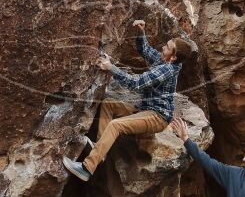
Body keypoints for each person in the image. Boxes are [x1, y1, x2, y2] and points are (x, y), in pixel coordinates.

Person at [62, 19, 193, 181]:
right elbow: (145, 50)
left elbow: (136, 83)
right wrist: (141, 32)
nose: (162, 47)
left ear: (173, 57)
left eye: (166, 47)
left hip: (157, 117)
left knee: (116, 125)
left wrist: (111, 67)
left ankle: (87, 168)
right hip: (145, 109)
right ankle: (99, 150)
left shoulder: (167, 69)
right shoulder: (166, 59)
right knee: (108, 105)